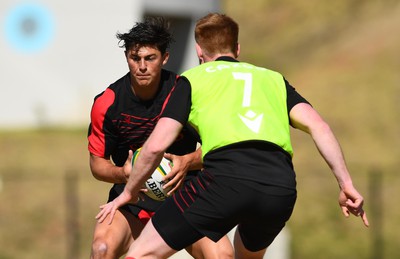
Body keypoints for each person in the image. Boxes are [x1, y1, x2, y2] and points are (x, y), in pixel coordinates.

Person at [95, 13, 369, 259]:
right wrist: (346, 184)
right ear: (237, 49)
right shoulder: (273, 79)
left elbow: (155, 147)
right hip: (279, 188)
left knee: (141, 253)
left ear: (199, 51)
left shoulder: (192, 80)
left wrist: (128, 191)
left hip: (225, 182)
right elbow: (320, 126)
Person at [87, 16, 233, 259]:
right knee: (101, 249)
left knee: (222, 255)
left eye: (150, 58)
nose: (142, 66)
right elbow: (96, 164)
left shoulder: (185, 91)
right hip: (132, 200)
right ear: (127, 59)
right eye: (135, 58)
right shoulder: (107, 102)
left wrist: (188, 161)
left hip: (185, 199)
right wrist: (124, 174)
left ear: (164, 58)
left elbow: (218, 147)